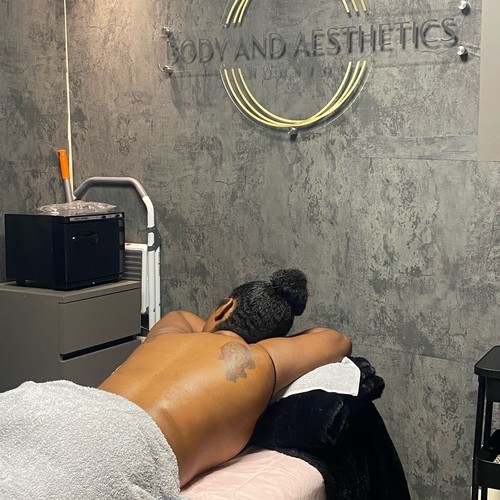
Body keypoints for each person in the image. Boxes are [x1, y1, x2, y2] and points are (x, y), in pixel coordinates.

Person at [98, 268, 352, 489]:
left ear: (226, 307)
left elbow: (181, 315)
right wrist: (267, 338)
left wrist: (219, 325)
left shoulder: (166, 335)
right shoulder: (262, 360)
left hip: (82, 414)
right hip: (132, 456)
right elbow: (336, 339)